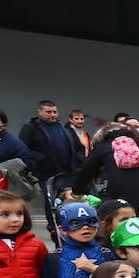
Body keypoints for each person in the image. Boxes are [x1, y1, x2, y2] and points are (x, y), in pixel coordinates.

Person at [72, 118, 139, 243]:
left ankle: (124, 258)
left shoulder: (102, 146)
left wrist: (77, 190)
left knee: (123, 229)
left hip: (122, 197)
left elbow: (86, 171)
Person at [19, 99, 83, 248]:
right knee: (51, 203)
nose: (52, 114)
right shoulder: (31, 128)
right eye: (48, 112)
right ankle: (54, 230)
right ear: (40, 112)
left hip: (67, 173)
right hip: (45, 173)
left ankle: (71, 227)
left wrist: (78, 164)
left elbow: (77, 147)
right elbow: (23, 149)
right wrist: (39, 160)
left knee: (70, 200)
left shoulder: (63, 128)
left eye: (55, 111)